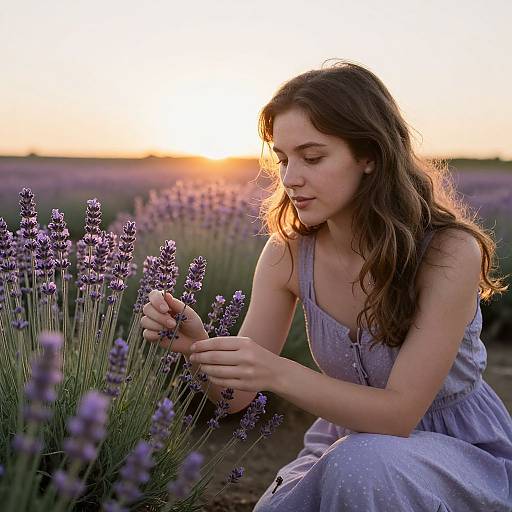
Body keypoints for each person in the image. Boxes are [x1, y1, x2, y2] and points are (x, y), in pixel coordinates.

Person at [140, 60, 512, 511]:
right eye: (283, 159)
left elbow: (398, 415)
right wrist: (200, 349)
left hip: (457, 456)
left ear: (369, 154)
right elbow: (235, 400)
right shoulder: (288, 254)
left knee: (361, 466)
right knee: (345, 469)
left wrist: (274, 369)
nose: (291, 177)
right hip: (343, 452)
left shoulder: (447, 253)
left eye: (313, 158)